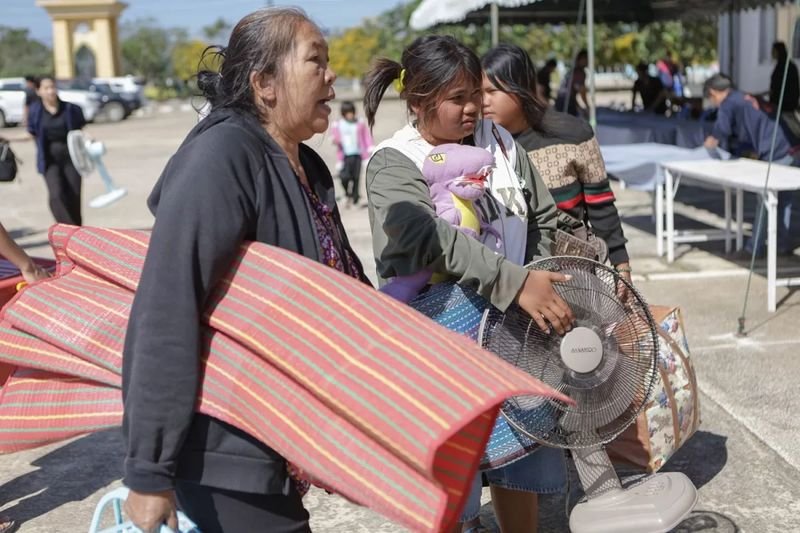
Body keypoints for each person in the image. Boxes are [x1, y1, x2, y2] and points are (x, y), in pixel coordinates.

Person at [121, 8, 368, 533]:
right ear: (265, 84)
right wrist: (148, 471)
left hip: (280, 436)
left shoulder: (306, 164)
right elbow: (166, 307)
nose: (332, 75)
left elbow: (347, 289)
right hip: (225, 446)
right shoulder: (222, 155)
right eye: (315, 61)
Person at [363, 35, 575, 533]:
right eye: (457, 99)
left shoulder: (502, 145)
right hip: (437, 343)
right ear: (417, 102)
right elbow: (423, 235)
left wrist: (538, 278)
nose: (474, 108)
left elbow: (542, 217)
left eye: (476, 94)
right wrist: (513, 281)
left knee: (516, 459)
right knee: (449, 473)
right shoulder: (393, 161)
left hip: (515, 335)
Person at [482, 44, 633, 283]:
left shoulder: (573, 134)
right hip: (506, 279)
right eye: (478, 93)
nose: (483, 101)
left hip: (572, 276)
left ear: (520, 88)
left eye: (492, 91)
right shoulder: (479, 145)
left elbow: (600, 202)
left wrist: (621, 264)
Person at [703, 74, 797, 255]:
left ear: (713, 92)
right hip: (790, 145)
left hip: (775, 149)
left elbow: (721, 130)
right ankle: (781, 244)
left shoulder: (728, 103)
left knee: (765, 200)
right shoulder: (741, 96)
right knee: (783, 200)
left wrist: (710, 143)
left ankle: (754, 248)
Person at [26, 76, 86, 226]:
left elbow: (81, 130)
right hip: (49, 160)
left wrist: (89, 138)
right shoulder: (35, 111)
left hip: (72, 158)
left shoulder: (70, 109)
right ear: (39, 91)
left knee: (74, 195)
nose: (51, 91)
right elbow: (31, 133)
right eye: (46, 88)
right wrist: (7, 137)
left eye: (52, 87)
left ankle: (77, 230)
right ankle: (68, 229)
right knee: (56, 195)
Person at [330, 100, 373, 207]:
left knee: (356, 178)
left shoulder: (359, 123)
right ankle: (347, 193)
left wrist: (370, 147)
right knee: (344, 176)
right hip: (345, 156)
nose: (350, 114)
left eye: (351, 112)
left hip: (357, 154)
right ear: (343, 113)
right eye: (347, 112)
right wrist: (335, 140)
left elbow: (366, 137)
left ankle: (355, 198)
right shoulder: (338, 124)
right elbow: (334, 137)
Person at [555, 49, 588, 117]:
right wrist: (588, 106)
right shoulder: (579, 72)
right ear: (581, 59)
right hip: (566, 104)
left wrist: (579, 107)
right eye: (586, 59)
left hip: (560, 102)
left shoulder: (572, 71)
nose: (588, 62)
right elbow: (581, 90)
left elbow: (571, 94)